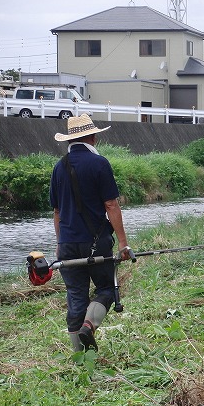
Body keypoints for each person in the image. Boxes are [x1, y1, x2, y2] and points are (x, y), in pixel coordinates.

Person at [50, 114, 132, 352]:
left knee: (76, 296)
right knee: (106, 288)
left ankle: (81, 357)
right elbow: (111, 205)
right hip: (96, 242)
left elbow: (57, 211)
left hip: (67, 243)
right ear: (92, 137)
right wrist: (123, 244)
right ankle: (89, 325)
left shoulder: (59, 167)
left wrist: (59, 243)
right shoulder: (99, 164)